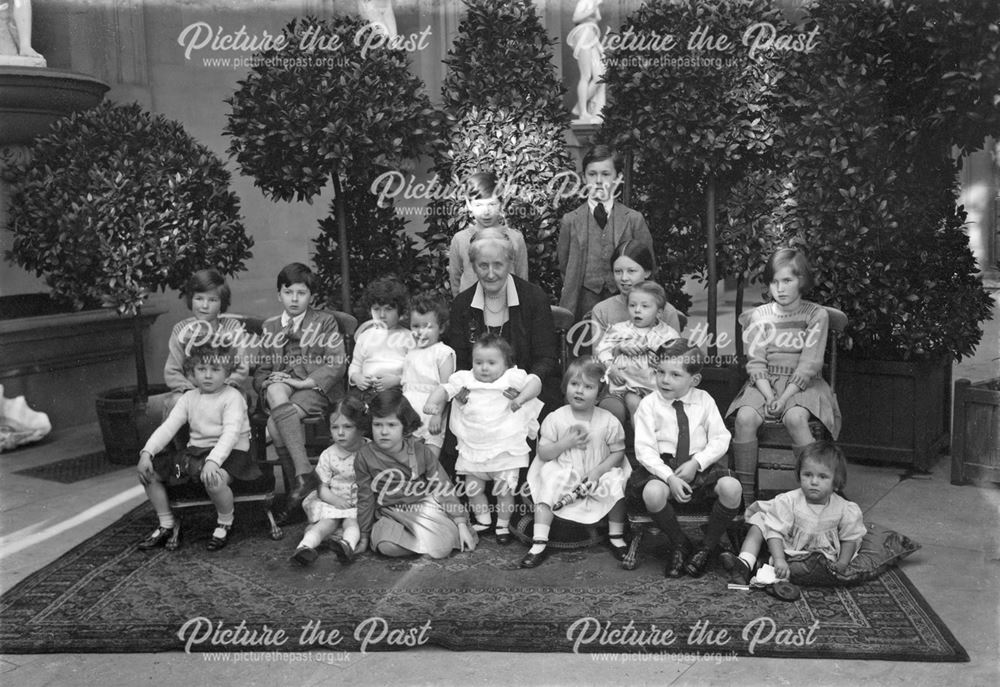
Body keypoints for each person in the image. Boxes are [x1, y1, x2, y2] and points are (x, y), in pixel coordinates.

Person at [727, 248, 842, 506]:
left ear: (802, 280)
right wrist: (769, 396)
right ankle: (746, 500)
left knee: (795, 417)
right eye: (774, 281)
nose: (780, 288)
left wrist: (786, 396)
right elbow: (756, 361)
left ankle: (811, 496)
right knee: (745, 417)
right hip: (764, 382)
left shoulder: (815, 315)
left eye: (787, 280)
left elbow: (809, 363)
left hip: (804, 385)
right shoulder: (760, 315)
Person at [630, 339, 742, 578]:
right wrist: (669, 477)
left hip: (700, 466)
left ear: (694, 380)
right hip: (664, 468)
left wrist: (697, 463)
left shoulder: (704, 401)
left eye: (674, 374)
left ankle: (706, 546)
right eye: (660, 372)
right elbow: (644, 450)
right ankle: (680, 542)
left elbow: (721, 438)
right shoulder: (649, 405)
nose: (664, 380)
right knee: (652, 493)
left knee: (732, 488)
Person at [136, 344, 257, 552]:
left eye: (215, 370)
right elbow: (168, 428)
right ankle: (166, 523)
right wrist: (147, 452)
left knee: (214, 479)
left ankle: (225, 522)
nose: (208, 376)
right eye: (201, 370)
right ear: (192, 372)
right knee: (152, 472)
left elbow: (230, 434)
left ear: (227, 372)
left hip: (231, 455)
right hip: (195, 455)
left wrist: (213, 461)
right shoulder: (189, 398)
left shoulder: (232, 397)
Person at [424, 334, 543, 544]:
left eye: (491, 363)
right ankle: (484, 520)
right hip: (473, 444)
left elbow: (536, 382)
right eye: (478, 362)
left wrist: (522, 398)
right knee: (473, 488)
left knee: (503, 490)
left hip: (505, 445)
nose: (484, 368)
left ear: (506, 364)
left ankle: (502, 525)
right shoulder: (465, 378)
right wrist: (433, 402)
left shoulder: (511, 377)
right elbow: (445, 388)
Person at [253, 262, 347, 525]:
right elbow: (259, 372)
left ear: (311, 296)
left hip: (312, 387)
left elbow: (337, 364)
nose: (294, 298)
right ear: (278, 294)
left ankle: (300, 487)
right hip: (282, 386)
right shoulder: (271, 327)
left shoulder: (324, 322)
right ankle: (305, 476)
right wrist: (269, 379)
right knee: (273, 388)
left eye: (301, 293)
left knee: (274, 423)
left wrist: (305, 383)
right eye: (288, 292)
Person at [521, 358, 628, 568]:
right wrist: (564, 443)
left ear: (599, 393)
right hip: (564, 469)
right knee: (548, 482)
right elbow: (543, 453)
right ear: (565, 386)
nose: (579, 391)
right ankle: (539, 541)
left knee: (616, 482)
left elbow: (618, 452)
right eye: (574, 384)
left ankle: (617, 536)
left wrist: (599, 470)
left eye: (588, 387)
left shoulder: (608, 421)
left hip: (597, 471)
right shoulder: (556, 418)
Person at [354, 389, 478, 558]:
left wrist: (461, 524)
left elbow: (443, 487)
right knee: (386, 546)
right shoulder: (364, 455)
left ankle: (430, 543)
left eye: (391, 425)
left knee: (443, 545)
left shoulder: (421, 451)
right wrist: (364, 535)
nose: (383, 432)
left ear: (405, 426)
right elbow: (365, 498)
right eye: (377, 425)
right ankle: (426, 545)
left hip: (423, 508)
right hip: (391, 513)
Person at [723, 441, 865, 585]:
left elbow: (849, 539)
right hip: (785, 550)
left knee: (815, 567)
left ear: (836, 481)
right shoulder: (788, 502)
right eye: (808, 475)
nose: (814, 482)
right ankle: (745, 563)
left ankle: (769, 565)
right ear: (799, 475)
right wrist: (779, 559)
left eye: (823, 477)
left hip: (822, 558)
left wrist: (842, 564)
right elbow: (775, 532)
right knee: (759, 522)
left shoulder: (844, 508)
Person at [446, 228, 559, 409]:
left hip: (526, 394)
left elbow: (546, 358)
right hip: (478, 396)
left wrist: (528, 387)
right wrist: (469, 391)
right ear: (473, 266)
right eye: (483, 265)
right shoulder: (462, 304)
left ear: (509, 263)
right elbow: (459, 360)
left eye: (498, 264)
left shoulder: (534, 298)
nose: (491, 274)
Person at [557, 145, 656, 321]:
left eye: (606, 174)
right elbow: (564, 265)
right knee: (586, 346)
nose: (598, 180)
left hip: (625, 301)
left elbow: (648, 265)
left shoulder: (633, 219)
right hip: (584, 302)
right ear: (583, 177)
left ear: (618, 178)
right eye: (592, 174)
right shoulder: (571, 220)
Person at [290, 398, 368, 567]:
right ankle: (305, 547)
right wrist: (335, 500)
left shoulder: (369, 451)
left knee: (351, 523)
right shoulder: (329, 454)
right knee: (326, 523)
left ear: (361, 427)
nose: (340, 432)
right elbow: (322, 487)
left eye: (347, 427)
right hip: (332, 500)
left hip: (358, 503)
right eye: (335, 427)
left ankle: (347, 546)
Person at [163, 269, 247, 419]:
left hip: (225, 389)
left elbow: (240, 368)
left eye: (212, 300)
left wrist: (222, 388)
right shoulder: (181, 330)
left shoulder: (232, 328)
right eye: (199, 298)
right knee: (177, 402)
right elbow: (172, 371)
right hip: (190, 391)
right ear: (191, 300)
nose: (204, 305)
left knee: (233, 402)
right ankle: (183, 443)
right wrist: (192, 392)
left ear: (222, 303)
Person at [595, 281, 679, 423]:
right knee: (633, 406)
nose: (637, 310)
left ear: (659, 312)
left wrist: (662, 362)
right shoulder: (619, 330)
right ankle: (638, 443)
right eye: (632, 305)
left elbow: (678, 359)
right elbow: (601, 350)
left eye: (645, 306)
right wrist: (611, 367)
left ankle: (653, 442)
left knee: (656, 411)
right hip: (624, 385)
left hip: (655, 388)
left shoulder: (667, 334)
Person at [448, 171, 529, 296]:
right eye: (479, 205)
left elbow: (522, 280)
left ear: (501, 204)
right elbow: (455, 280)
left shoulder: (515, 238)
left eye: (492, 204)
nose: (486, 212)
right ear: (469, 204)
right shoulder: (460, 239)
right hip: (470, 309)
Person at [401, 293, 456, 460]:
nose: (420, 332)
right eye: (415, 326)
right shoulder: (410, 352)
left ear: (442, 328)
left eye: (427, 326)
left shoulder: (443, 352)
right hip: (409, 413)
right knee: (408, 461)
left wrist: (437, 415)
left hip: (432, 416)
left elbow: (446, 389)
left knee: (430, 462)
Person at [590, 240, 681, 334]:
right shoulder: (602, 311)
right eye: (618, 271)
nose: (624, 278)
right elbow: (600, 348)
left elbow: (675, 347)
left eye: (631, 271)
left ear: (647, 272)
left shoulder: (667, 311)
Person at [348, 276, 414, 400]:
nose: (382, 315)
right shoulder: (365, 337)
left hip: (396, 390)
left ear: (400, 311)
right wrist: (356, 377)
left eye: (388, 309)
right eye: (376, 309)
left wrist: (397, 380)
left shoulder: (408, 338)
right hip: (366, 389)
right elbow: (355, 365)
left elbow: (415, 371)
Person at [567, 0, 606, 124]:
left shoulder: (593, 3)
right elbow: (576, 18)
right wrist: (592, 7)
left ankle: (579, 107)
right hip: (582, 34)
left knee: (600, 77)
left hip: (591, 35)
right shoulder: (584, 2)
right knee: (586, 75)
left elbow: (597, 19)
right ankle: (583, 112)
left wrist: (596, 7)